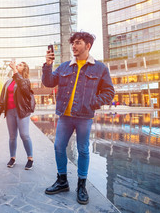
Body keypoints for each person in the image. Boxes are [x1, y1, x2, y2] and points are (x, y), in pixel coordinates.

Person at [42, 31, 115, 205]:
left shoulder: (100, 68)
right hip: (65, 116)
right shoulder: (65, 66)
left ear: (88, 46)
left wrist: (92, 103)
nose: (74, 46)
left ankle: (81, 185)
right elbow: (49, 82)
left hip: (84, 117)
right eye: (73, 43)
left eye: (78, 42)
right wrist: (47, 65)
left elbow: (109, 92)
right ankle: (62, 180)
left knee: (83, 150)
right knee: (59, 147)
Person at [0, 61, 34, 170]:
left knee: (24, 135)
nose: (17, 65)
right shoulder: (8, 82)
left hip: (22, 112)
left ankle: (30, 158)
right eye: (18, 64)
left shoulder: (25, 81)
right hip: (10, 112)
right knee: (12, 137)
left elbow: (25, 90)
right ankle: (12, 158)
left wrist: (15, 72)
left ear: (24, 69)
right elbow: (3, 97)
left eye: (20, 65)